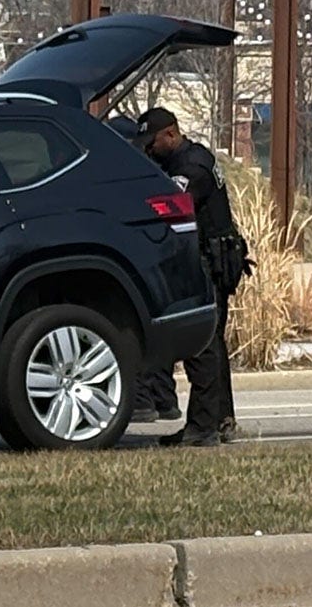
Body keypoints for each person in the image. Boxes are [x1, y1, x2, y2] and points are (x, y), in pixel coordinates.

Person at [133, 108, 253, 447]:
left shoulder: (192, 167)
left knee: (202, 344)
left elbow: (172, 205)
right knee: (211, 342)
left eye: (152, 143)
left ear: (170, 134)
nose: (150, 149)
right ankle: (219, 421)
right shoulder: (185, 159)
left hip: (209, 264)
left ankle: (203, 428)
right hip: (207, 259)